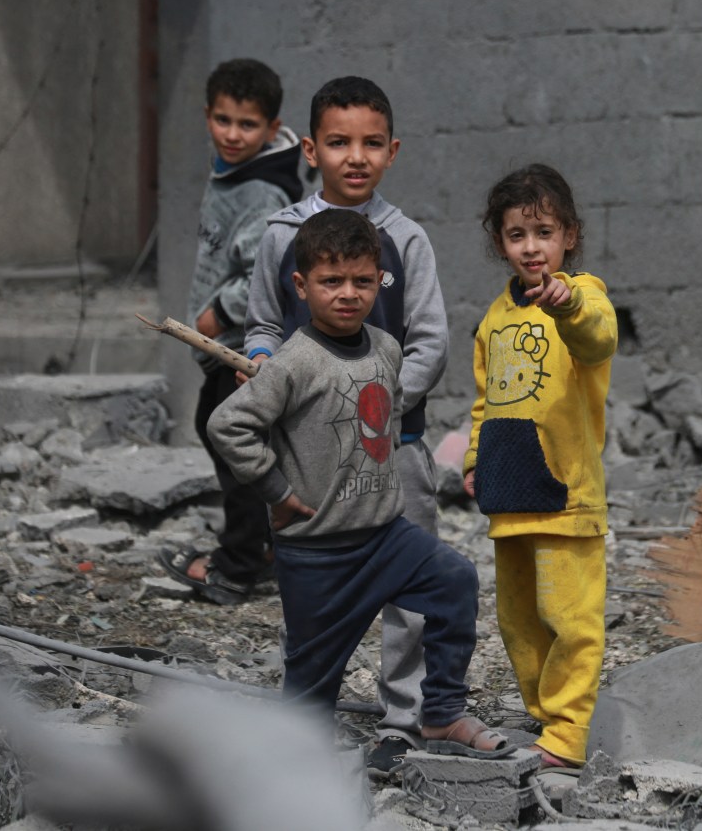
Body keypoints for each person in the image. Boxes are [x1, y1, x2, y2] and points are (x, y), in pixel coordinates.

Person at [209, 208, 507, 759]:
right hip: (317, 553)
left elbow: (384, 422)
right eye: (331, 281)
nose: (348, 294)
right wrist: (276, 491)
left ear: (379, 281)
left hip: (385, 537)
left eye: (362, 281)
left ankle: (441, 713)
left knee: (454, 580)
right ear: (301, 285)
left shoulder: (387, 349)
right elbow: (228, 425)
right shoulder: (292, 363)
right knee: (309, 696)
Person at [241, 76, 449, 777]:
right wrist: (261, 362)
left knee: (412, 585)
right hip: (309, 455)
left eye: (370, 143)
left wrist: (382, 406)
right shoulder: (281, 235)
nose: (354, 157)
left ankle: (405, 717)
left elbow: (429, 341)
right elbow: (262, 324)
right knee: (311, 586)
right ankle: (306, 721)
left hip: (398, 446)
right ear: (310, 149)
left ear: (393, 151)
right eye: (338, 142)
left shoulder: (407, 239)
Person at [463, 164, 617, 772]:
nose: (532, 247)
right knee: (519, 621)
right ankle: (544, 717)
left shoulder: (585, 296)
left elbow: (599, 339)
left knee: (570, 618)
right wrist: (476, 459)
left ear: (569, 236)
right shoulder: (495, 318)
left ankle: (568, 732)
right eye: (517, 235)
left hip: (565, 495)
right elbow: (486, 400)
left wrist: (569, 304)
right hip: (510, 493)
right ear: (500, 242)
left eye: (544, 232)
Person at [160, 58, 303, 606]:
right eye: (223, 120)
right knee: (216, 428)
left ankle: (241, 564)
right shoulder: (231, 171)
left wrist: (219, 311)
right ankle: (262, 546)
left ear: (272, 127)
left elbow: (271, 267)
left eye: (248, 125)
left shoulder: (264, 190)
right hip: (222, 346)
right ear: (207, 116)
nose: (233, 134)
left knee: (236, 444)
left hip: (245, 346)